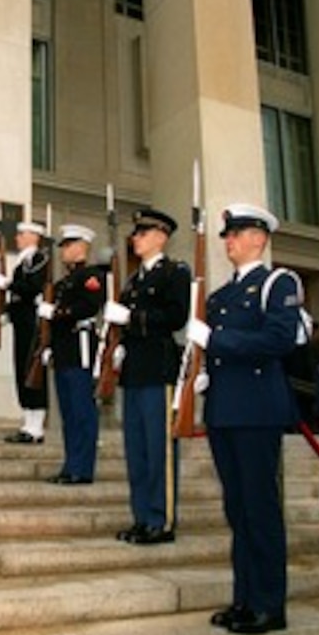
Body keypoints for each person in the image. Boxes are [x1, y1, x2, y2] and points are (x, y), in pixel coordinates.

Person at [185, 203, 300, 635]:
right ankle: (244, 599)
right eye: (227, 234)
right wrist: (204, 372)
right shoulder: (220, 296)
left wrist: (216, 340)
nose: (229, 240)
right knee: (238, 509)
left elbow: (278, 338)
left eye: (237, 233)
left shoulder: (277, 283)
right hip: (224, 409)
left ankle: (270, 603)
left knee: (260, 507)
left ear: (259, 238)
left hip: (256, 409)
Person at [103, 208, 189, 544]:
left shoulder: (174, 273)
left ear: (160, 236)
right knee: (136, 450)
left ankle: (161, 520)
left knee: (159, 450)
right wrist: (119, 342)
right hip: (135, 371)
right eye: (135, 233)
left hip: (158, 369)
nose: (135, 238)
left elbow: (175, 316)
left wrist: (132, 316)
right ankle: (141, 517)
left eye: (142, 233)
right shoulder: (134, 279)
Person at [37, 224, 105, 485]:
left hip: (80, 348)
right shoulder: (63, 282)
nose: (64, 250)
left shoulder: (91, 276)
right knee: (68, 412)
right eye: (63, 246)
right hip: (64, 349)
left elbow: (87, 307)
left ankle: (82, 468)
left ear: (82, 247)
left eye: (68, 245)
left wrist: (55, 313)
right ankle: (70, 464)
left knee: (81, 410)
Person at [0, 220, 49, 444]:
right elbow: (21, 296)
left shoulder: (39, 259)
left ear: (33, 237)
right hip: (22, 323)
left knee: (32, 371)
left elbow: (33, 287)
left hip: (34, 324)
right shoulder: (23, 261)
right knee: (22, 370)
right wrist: (8, 311)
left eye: (21, 234)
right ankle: (28, 423)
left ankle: (36, 427)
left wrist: (8, 284)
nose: (16, 238)